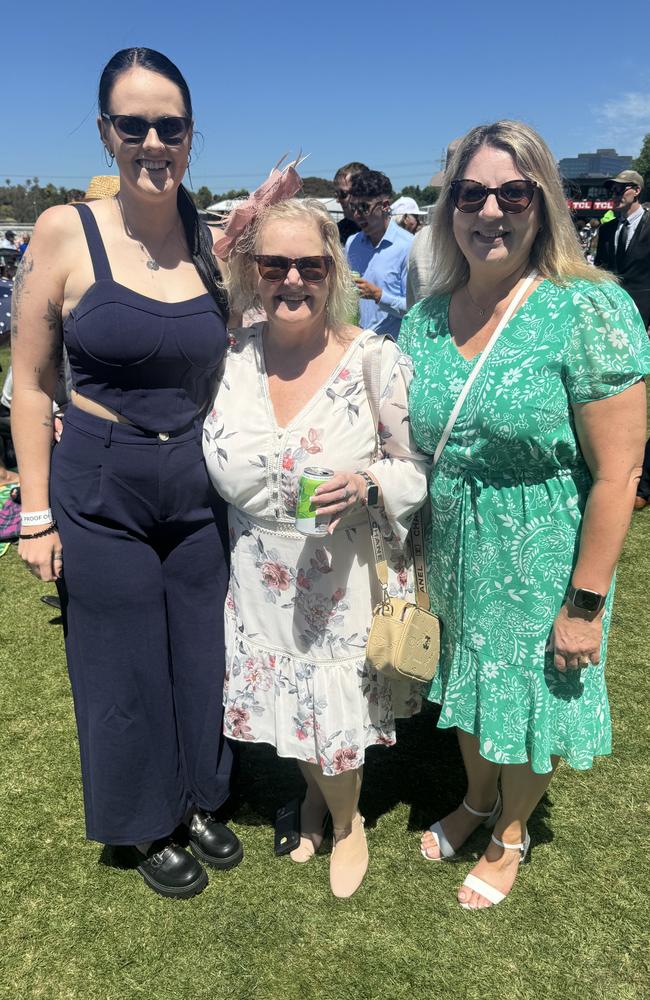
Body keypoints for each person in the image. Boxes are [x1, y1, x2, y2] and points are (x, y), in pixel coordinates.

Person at [400, 120, 650, 910]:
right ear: (449, 209)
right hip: (455, 551)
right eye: (470, 194)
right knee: (470, 690)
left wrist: (585, 604)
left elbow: (618, 474)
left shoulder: (587, 310)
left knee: (534, 702)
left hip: (542, 555)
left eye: (514, 194)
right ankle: (478, 800)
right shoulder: (426, 319)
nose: (490, 212)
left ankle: (512, 830)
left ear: (543, 205)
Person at [11, 47, 242, 899]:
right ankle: (143, 818)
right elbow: (32, 385)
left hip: (196, 478)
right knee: (119, 656)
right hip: (100, 476)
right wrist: (34, 513)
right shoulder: (64, 231)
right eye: (133, 125)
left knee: (200, 647)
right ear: (108, 132)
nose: (154, 142)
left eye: (170, 126)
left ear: (190, 135)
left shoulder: (213, 238)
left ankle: (202, 796)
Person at [205, 194, 428, 898]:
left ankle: (348, 819)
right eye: (275, 264)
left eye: (309, 265)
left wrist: (367, 481)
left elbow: (418, 463)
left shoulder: (374, 360)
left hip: (339, 583)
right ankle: (314, 799)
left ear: (334, 272)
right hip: (255, 577)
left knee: (329, 713)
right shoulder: (231, 356)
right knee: (288, 706)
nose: (291, 280)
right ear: (253, 270)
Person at [594, 170, 650, 509]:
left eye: (620, 189)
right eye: (611, 190)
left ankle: (634, 469)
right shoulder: (608, 227)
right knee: (612, 378)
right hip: (613, 310)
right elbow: (599, 270)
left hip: (645, 306)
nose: (615, 194)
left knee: (637, 379)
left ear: (636, 190)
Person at [346, 170, 413, 340]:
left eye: (363, 208)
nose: (356, 215)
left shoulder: (408, 246)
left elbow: (416, 310)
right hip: (354, 345)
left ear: (384, 206)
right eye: (353, 207)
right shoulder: (352, 244)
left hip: (391, 348)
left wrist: (379, 296)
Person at [332, 161, 369, 245]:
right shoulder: (337, 232)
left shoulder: (381, 231)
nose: (338, 200)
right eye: (336, 194)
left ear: (361, 191)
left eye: (342, 193)